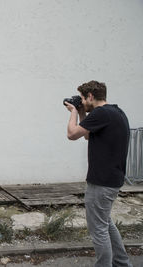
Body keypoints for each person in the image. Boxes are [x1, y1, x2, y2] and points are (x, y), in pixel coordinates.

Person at [65, 80, 132, 267]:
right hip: (112, 179)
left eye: (82, 99)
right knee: (106, 224)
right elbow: (87, 134)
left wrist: (72, 113)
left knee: (99, 230)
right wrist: (81, 112)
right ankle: (122, 263)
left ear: (91, 96)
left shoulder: (101, 113)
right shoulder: (115, 112)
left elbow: (72, 134)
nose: (80, 102)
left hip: (101, 181)